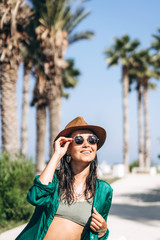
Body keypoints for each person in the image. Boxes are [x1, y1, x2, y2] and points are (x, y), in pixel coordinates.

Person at [16, 116, 113, 240]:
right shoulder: (54, 180)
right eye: (78, 140)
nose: (86, 144)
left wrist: (103, 231)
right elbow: (36, 197)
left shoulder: (104, 191)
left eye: (92, 140)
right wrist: (57, 155)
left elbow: (98, 234)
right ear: (68, 149)